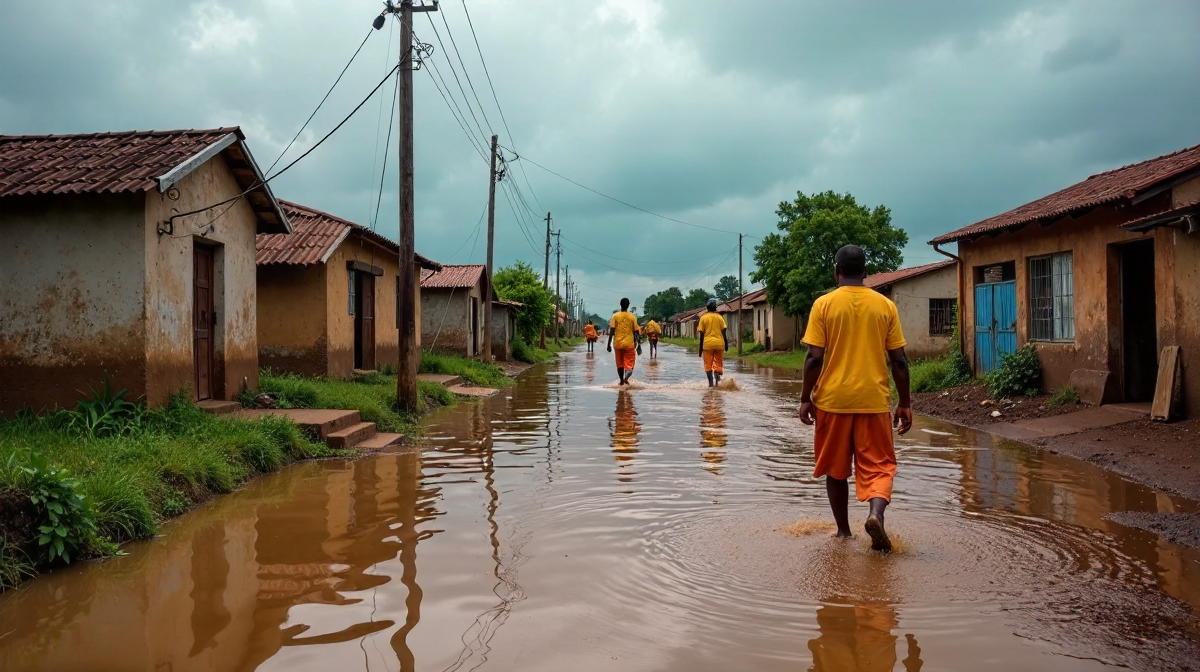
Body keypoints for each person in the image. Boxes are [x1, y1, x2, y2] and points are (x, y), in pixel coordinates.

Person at [798, 244, 912, 552]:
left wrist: (805, 398)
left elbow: (813, 359)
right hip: (874, 401)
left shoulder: (823, 305)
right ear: (865, 273)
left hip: (832, 402)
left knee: (836, 470)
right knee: (880, 467)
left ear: (837, 271)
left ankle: (844, 533)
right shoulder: (884, 306)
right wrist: (905, 403)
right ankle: (875, 514)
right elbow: (899, 361)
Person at [607, 298, 641, 386]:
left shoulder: (615, 316)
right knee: (629, 367)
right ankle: (625, 379)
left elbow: (612, 331)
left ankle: (621, 380)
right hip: (629, 344)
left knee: (620, 364)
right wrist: (639, 344)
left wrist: (608, 344)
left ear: (620, 304)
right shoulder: (632, 317)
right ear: (628, 305)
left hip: (617, 344)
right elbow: (636, 332)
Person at [696, 297, 728, 387]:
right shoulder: (720, 317)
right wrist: (726, 344)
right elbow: (724, 332)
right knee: (718, 364)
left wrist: (700, 349)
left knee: (708, 365)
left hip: (707, 345)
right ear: (715, 308)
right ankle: (717, 383)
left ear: (707, 308)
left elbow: (701, 335)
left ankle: (711, 384)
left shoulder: (703, 318)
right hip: (719, 344)